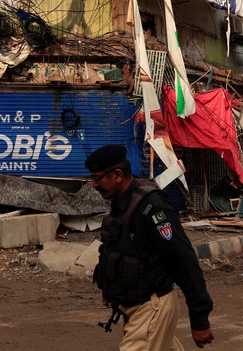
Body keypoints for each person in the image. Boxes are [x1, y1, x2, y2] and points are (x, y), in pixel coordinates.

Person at [87, 144, 215, 350]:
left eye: (97, 178)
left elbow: (183, 260)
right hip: (135, 309)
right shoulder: (122, 204)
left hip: (152, 307)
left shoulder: (152, 206)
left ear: (117, 175)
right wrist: (110, 291)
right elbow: (117, 251)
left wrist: (199, 318)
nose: (94, 185)